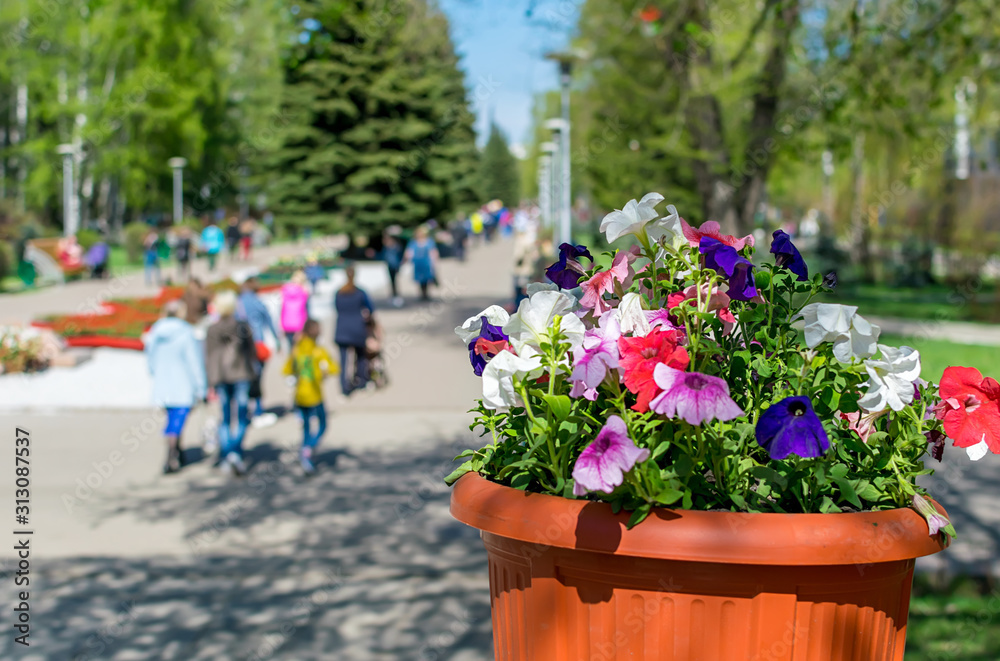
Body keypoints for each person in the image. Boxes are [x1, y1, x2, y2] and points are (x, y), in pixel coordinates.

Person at [145, 299, 207, 474]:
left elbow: (150, 359)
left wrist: (154, 373)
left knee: (172, 419)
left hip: (164, 383)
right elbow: (194, 361)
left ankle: (177, 451)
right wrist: (201, 386)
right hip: (183, 384)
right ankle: (171, 456)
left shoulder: (156, 331)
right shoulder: (185, 332)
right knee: (177, 420)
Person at [205, 290, 258, 476]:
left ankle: (229, 454)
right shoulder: (241, 327)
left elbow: (209, 357)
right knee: (242, 416)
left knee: (226, 418)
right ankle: (235, 452)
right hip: (240, 374)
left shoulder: (212, 329)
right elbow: (252, 352)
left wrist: (210, 380)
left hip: (220, 376)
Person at [283, 319, 337, 476]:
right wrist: (323, 372)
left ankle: (305, 452)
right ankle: (309, 448)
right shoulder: (319, 351)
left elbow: (287, 369)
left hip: (300, 395)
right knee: (323, 424)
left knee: (306, 426)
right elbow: (333, 367)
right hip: (315, 395)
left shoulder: (297, 350)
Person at [237, 277, 279, 424]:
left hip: (242, 348)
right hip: (258, 345)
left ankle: (244, 410)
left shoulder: (238, 303)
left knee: (244, 379)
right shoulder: (258, 302)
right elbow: (269, 322)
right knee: (258, 378)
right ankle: (258, 410)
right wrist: (277, 340)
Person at [334, 264, 374, 395]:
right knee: (361, 356)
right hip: (357, 327)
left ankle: (344, 386)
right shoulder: (360, 293)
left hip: (342, 328)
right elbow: (370, 309)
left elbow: (336, 308)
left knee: (343, 360)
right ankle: (361, 381)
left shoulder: (339, 293)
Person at [405, 226, 438, 302]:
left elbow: (433, 251)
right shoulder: (413, 242)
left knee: (426, 278)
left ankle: (426, 293)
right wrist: (407, 259)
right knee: (420, 279)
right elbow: (409, 252)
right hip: (417, 263)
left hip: (426, 262)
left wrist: (434, 261)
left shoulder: (429, 241)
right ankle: (422, 293)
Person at [280, 270, 310, 351]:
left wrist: (282, 326)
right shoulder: (303, 293)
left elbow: (282, 310)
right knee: (300, 350)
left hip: (287, 325)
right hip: (299, 326)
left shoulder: (286, 292)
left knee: (291, 349)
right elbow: (306, 312)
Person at [380, 234, 404, 307]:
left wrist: (400, 264)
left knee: (395, 281)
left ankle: (396, 295)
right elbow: (383, 256)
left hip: (395, 266)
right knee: (392, 281)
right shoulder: (387, 248)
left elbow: (400, 256)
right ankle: (393, 294)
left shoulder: (396, 247)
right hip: (390, 266)